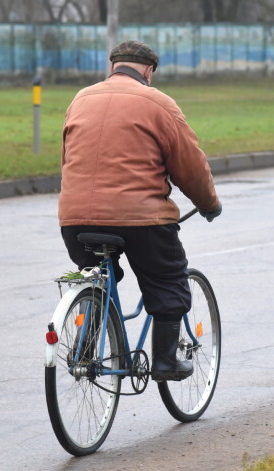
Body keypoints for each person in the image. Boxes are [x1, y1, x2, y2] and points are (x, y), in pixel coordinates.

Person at [58, 40, 222, 382]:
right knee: (168, 282)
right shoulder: (158, 103)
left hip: (74, 218)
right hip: (140, 220)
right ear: (148, 70)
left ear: (113, 65)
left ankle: (87, 344)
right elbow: (189, 166)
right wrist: (208, 203)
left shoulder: (80, 99)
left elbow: (68, 158)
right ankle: (166, 362)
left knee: (98, 274)